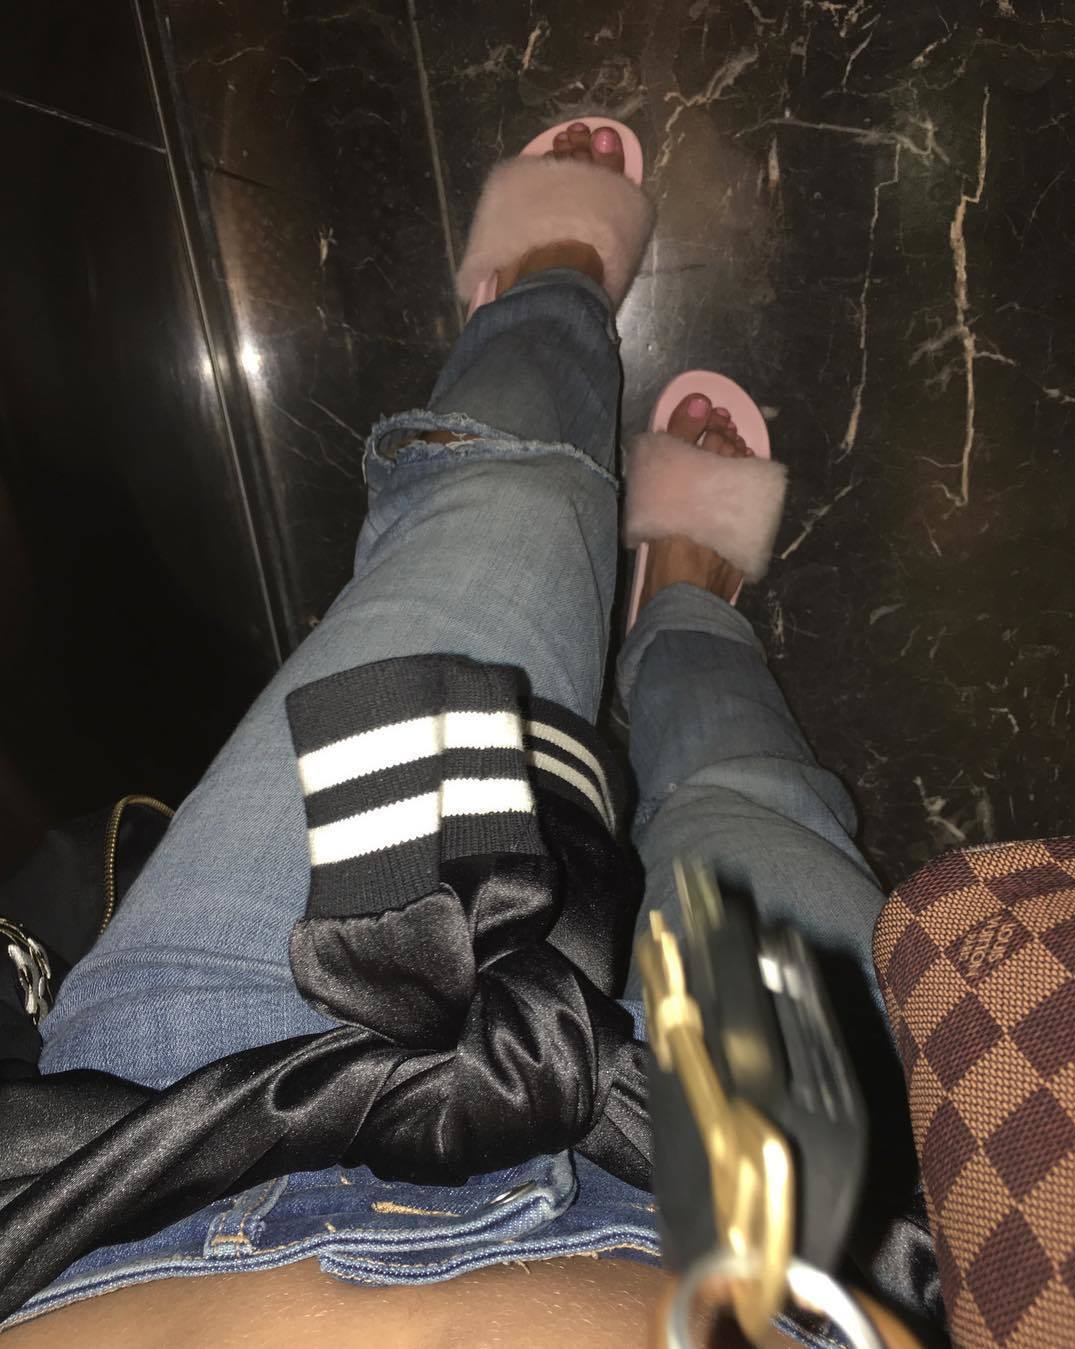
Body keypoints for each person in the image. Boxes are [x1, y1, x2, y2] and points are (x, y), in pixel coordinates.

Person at [2, 122, 889, 1348]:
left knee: (506, 510)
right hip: (774, 1231)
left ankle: (545, 304)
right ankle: (690, 616)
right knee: (753, 793)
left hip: (174, 1125)